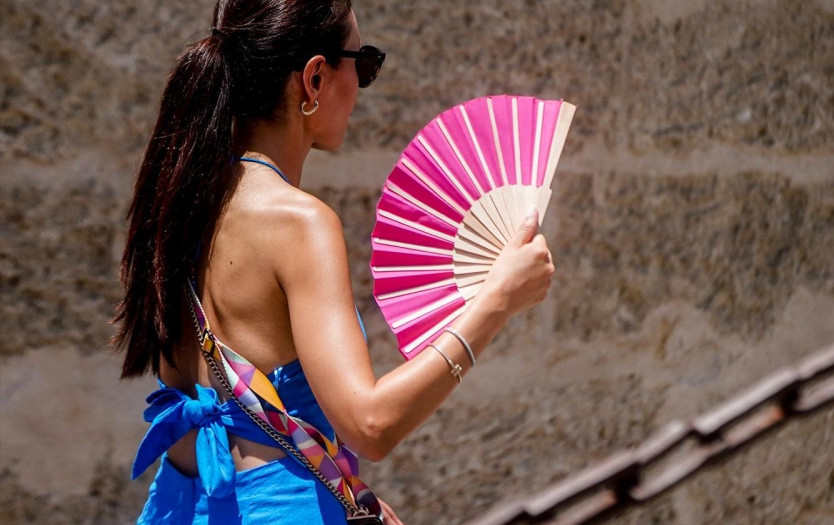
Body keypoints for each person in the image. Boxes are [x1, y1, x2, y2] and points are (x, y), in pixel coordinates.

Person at [111, 1, 555, 523]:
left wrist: (338, 488)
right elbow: (370, 425)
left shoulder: (182, 199)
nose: (363, 85)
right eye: (363, 64)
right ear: (315, 78)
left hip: (184, 504)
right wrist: (498, 301)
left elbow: (215, 409)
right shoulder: (300, 223)